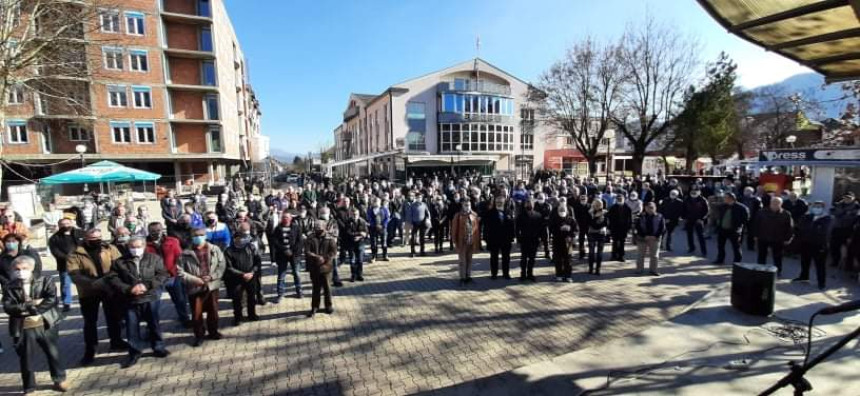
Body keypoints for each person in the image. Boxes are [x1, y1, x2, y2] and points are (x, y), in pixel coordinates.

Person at [2, 256, 69, 393]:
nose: (21, 272)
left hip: (45, 323)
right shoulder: (10, 286)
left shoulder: (45, 280)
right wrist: (31, 305)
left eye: (24, 268)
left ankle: (59, 379)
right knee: (26, 357)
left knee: (53, 353)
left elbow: (51, 299)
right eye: (17, 269)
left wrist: (36, 309)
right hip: (23, 326)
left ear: (32, 268)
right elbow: (8, 307)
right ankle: (29, 387)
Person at [67, 228, 126, 365]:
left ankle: (116, 341)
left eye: (99, 238)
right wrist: (94, 283)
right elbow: (74, 274)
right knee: (90, 322)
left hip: (109, 289)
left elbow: (119, 266)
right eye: (93, 239)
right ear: (86, 239)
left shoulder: (109, 248)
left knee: (113, 317)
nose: (97, 241)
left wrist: (110, 281)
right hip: (88, 292)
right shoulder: (75, 253)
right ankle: (90, 350)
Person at [108, 237, 169, 368]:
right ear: (128, 247)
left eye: (138, 246)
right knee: (132, 327)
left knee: (154, 324)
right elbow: (113, 279)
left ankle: (158, 347)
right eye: (133, 247)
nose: (136, 250)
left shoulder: (154, 258)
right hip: (130, 299)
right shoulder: (119, 262)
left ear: (144, 246)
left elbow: (162, 274)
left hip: (150, 297)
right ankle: (134, 352)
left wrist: (147, 286)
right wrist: (129, 289)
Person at [178, 228, 226, 347]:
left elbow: (222, 264)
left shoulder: (214, 249)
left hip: (212, 286)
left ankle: (213, 332)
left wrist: (212, 276)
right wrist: (195, 280)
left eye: (201, 235)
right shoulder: (185, 253)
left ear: (205, 236)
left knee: (213, 311)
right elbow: (180, 271)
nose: (198, 237)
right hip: (195, 288)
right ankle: (199, 335)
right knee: (197, 314)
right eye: (195, 235)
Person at [145, 222, 190, 327]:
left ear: (162, 230)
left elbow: (179, 257)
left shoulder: (173, 241)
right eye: (153, 231)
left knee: (180, 300)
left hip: (172, 276)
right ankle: (152, 326)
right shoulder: (144, 245)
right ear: (149, 232)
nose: (156, 233)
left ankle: (185, 319)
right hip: (155, 279)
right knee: (153, 304)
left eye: (158, 230)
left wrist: (175, 270)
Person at [793, 201, 833, 290]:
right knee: (804, 261)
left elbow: (823, 231)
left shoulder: (827, 219)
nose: (817, 208)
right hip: (806, 243)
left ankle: (821, 282)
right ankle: (804, 276)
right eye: (815, 206)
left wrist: (811, 228)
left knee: (820, 265)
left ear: (823, 208)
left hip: (820, 245)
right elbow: (800, 227)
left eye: (819, 207)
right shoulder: (807, 216)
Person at [224, 232, 261, 325]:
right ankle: (238, 318)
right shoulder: (229, 251)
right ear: (235, 239)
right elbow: (229, 267)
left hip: (251, 277)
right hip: (236, 279)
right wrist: (242, 274)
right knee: (237, 299)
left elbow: (257, 261)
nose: (244, 239)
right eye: (242, 237)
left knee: (252, 297)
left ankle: (252, 314)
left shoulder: (251, 247)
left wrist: (252, 272)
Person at [48, 218, 84, 312]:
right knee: (65, 284)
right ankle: (66, 303)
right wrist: (68, 258)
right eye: (63, 224)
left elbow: (85, 245)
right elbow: (55, 252)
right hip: (64, 265)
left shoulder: (80, 233)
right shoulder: (54, 238)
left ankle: (85, 300)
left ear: (71, 223)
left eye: (67, 223)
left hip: (81, 263)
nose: (65, 226)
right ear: (59, 226)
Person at [753, 197, 793, 275]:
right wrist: (755, 235)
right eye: (773, 202)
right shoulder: (762, 212)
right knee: (761, 255)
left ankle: (777, 271)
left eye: (777, 203)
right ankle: (760, 270)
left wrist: (788, 238)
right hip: (763, 237)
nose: (775, 204)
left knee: (777, 257)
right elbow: (756, 224)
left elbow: (790, 227)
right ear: (770, 203)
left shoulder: (786, 214)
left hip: (778, 238)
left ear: (781, 204)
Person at [305, 220, 337, 318]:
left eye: (319, 226)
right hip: (314, 267)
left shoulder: (330, 238)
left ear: (324, 227)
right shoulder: (310, 238)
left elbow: (334, 252)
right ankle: (315, 307)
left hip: (326, 267)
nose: (318, 228)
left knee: (327, 288)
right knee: (316, 289)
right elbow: (307, 251)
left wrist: (324, 258)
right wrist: (316, 257)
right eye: (316, 226)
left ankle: (328, 306)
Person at [270, 211, 302, 302]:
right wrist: (284, 250)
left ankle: (299, 291)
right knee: (281, 275)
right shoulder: (277, 229)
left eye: (287, 217)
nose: (285, 219)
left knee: (297, 273)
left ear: (291, 218)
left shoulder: (296, 228)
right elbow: (274, 242)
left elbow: (300, 242)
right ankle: (280, 294)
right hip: (282, 255)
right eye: (283, 217)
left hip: (294, 255)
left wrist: (292, 251)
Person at [713, 193, 750, 265]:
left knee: (736, 247)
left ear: (731, 198)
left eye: (725, 198)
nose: (724, 199)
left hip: (734, 230)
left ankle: (737, 262)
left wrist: (739, 226)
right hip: (722, 229)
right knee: (720, 246)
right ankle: (720, 259)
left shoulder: (742, 208)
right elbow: (719, 216)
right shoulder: (723, 206)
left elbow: (746, 219)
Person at [483, 196, 515, 280]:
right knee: (494, 258)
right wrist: (486, 239)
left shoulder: (509, 212)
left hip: (506, 239)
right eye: (497, 202)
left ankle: (506, 273)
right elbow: (486, 227)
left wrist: (512, 237)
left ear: (504, 202)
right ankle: (494, 274)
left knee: (506, 258)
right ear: (494, 203)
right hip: (494, 239)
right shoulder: (489, 213)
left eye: (501, 202)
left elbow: (512, 226)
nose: (499, 203)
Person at [452, 199, 480, 285]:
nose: (467, 207)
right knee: (462, 261)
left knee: (470, 260)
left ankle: (468, 276)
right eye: (465, 205)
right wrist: (454, 240)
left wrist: (477, 241)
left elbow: (477, 229)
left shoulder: (474, 215)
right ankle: (462, 278)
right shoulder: (458, 216)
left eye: (468, 205)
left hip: (471, 241)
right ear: (462, 206)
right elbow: (454, 229)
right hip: (462, 241)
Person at [829, 192, 859, 268]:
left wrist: (842, 214)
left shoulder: (857, 206)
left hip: (849, 229)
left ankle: (848, 265)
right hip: (837, 228)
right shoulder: (839, 204)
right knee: (834, 246)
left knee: (849, 248)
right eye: (845, 197)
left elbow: (853, 217)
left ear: (853, 198)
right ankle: (835, 261)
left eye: (849, 198)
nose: (847, 199)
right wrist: (845, 213)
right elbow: (833, 212)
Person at [635, 202, 666, 276]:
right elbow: (637, 227)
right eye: (648, 207)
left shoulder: (660, 216)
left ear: (655, 208)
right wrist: (644, 235)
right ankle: (639, 270)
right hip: (642, 238)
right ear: (645, 208)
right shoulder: (640, 216)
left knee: (654, 255)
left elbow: (663, 228)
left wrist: (656, 236)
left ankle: (653, 270)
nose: (650, 209)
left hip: (655, 238)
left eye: (652, 207)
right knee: (640, 255)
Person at [516, 199, 543, 282]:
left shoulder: (538, 215)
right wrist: (518, 238)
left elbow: (541, 228)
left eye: (531, 203)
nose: (529, 205)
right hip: (524, 240)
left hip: (534, 240)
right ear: (525, 205)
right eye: (527, 203)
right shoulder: (520, 215)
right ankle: (523, 274)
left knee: (532, 258)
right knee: (523, 258)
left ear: (533, 204)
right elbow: (517, 228)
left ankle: (530, 274)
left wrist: (540, 239)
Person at [549, 203, 577, 282]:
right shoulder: (554, 219)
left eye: (563, 210)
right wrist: (560, 229)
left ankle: (568, 275)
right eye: (560, 210)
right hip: (557, 241)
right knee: (558, 260)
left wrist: (571, 234)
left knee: (568, 260)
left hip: (568, 243)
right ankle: (559, 275)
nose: (562, 212)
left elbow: (575, 230)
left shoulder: (571, 220)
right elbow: (551, 229)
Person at [682, 188, 709, 257]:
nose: (693, 193)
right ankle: (691, 248)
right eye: (692, 192)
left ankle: (703, 251)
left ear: (699, 192)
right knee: (689, 235)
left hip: (698, 220)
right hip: (689, 219)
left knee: (700, 236)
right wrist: (684, 218)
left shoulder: (703, 200)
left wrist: (701, 219)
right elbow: (683, 209)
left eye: (695, 192)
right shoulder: (687, 199)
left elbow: (706, 211)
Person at [344, 207, 368, 282]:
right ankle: (353, 275)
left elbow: (366, 232)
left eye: (356, 214)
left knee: (360, 260)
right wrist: (359, 233)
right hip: (351, 244)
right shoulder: (348, 222)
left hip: (360, 243)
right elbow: (348, 233)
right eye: (353, 214)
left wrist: (361, 236)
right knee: (352, 260)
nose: (355, 216)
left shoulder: (362, 221)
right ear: (351, 214)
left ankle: (359, 274)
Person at [607, 194, 633, 262]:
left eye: (621, 198)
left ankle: (621, 256)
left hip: (623, 228)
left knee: (622, 242)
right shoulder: (612, 208)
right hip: (614, 228)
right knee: (615, 242)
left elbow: (630, 219)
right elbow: (609, 218)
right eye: (618, 199)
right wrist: (609, 228)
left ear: (624, 199)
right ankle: (613, 255)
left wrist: (629, 228)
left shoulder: (627, 208)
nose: (620, 200)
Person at [587, 199, 609, 275]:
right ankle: (593, 268)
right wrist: (597, 219)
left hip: (599, 233)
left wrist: (596, 219)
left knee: (597, 252)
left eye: (598, 205)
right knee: (592, 252)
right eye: (595, 204)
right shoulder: (590, 212)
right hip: (595, 233)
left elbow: (606, 223)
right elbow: (590, 223)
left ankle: (596, 269)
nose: (597, 206)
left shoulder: (604, 212)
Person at [366, 197, 390, 262]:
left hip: (383, 228)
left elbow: (387, 218)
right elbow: (369, 218)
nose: (376, 203)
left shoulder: (384, 209)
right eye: (375, 201)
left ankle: (385, 255)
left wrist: (383, 225)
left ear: (380, 202)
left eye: (377, 201)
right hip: (373, 228)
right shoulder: (370, 210)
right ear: (373, 202)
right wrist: (375, 225)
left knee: (384, 242)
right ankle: (374, 256)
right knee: (373, 243)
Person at [740, 187, 763, 251]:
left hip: (752, 218)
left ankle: (750, 246)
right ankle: (738, 243)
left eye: (748, 191)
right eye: (746, 191)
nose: (747, 192)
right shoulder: (741, 198)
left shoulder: (756, 200)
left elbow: (759, 209)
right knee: (740, 231)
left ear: (752, 192)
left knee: (751, 233)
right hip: (742, 217)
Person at [573, 194, 590, 260]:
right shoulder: (577, 206)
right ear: (580, 200)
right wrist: (577, 225)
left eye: (584, 199)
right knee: (581, 241)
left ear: (587, 199)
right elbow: (576, 217)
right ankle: (582, 254)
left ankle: (590, 254)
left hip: (588, 226)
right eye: (582, 199)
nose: (583, 200)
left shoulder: (589, 206)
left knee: (590, 240)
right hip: (580, 226)